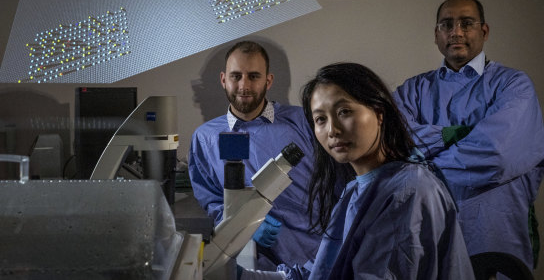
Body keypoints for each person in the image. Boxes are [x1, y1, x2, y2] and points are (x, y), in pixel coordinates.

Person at [264, 62, 472, 280]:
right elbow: (320, 271)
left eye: (344, 111)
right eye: (320, 119)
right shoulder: (355, 190)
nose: (332, 130)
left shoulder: (408, 190)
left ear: (379, 113)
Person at [393, 0, 544, 271]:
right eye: (447, 25)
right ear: (436, 34)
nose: (456, 32)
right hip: (429, 231)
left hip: (496, 232)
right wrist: (458, 134)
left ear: (484, 31)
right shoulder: (412, 90)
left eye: (466, 23)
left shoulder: (513, 85)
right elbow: (393, 142)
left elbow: (496, 154)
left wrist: (422, 166)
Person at [188, 40, 321, 270]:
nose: (244, 85)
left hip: (314, 256)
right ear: (223, 80)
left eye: (254, 76)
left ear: (268, 80)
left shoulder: (304, 122)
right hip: (254, 264)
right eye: (236, 76)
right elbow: (212, 201)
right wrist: (243, 225)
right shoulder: (205, 138)